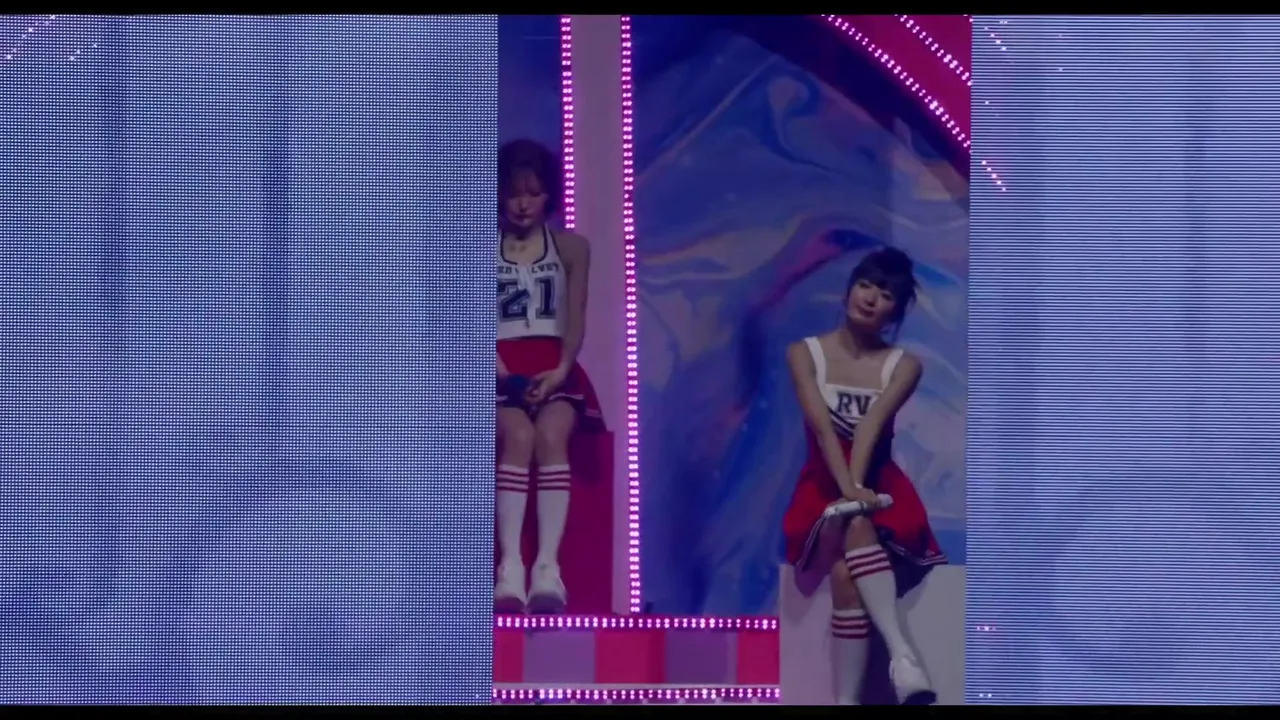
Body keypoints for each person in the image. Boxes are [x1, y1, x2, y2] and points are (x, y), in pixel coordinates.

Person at [781, 247, 948, 705]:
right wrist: (848, 490)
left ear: (896, 310)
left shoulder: (904, 365)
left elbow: (871, 426)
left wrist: (857, 491)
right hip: (822, 486)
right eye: (866, 285)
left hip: (881, 489)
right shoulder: (804, 353)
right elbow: (822, 426)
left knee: (845, 573)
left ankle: (848, 701)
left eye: (886, 294)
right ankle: (903, 658)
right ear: (849, 289)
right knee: (854, 521)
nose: (872, 298)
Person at [494, 138, 603, 614]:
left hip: (554, 367)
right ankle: (509, 568)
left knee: (551, 433)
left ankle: (547, 568)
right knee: (517, 435)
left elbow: (575, 317)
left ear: (549, 195)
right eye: (513, 193)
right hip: (497, 368)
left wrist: (560, 370)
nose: (523, 204)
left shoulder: (572, 248)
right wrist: (501, 373)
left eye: (533, 193)